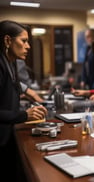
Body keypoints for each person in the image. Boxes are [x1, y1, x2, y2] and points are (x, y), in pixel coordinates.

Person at [0, 20, 48, 181]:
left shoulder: (10, 61)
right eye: (24, 41)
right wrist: (25, 115)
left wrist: (30, 92)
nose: (28, 46)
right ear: (8, 40)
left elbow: (13, 83)